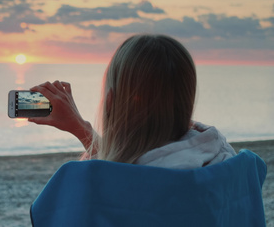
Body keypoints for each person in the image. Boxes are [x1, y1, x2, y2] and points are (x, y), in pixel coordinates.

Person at [29, 34, 236, 169]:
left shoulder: (102, 188)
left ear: (110, 101)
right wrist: (81, 128)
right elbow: (131, 164)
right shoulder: (225, 159)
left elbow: (116, 174)